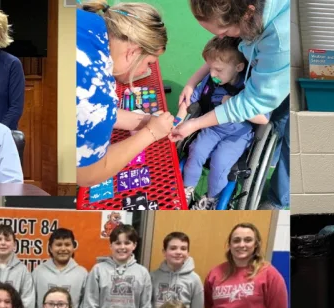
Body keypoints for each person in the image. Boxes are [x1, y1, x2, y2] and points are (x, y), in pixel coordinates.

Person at [75, 1, 173, 186]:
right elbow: (86, 175)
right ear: (132, 52)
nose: (145, 69)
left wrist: (144, 121)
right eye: (148, 63)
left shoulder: (91, 18)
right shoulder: (95, 90)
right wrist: (151, 133)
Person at [171, 0, 291, 148]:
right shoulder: (246, 16)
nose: (221, 38)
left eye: (224, 32)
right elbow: (219, 57)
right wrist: (191, 83)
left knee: (285, 118)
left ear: (248, 14)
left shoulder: (281, 43)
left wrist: (195, 124)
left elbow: (255, 103)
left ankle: (276, 148)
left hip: (306, 65)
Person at [179, 36, 269, 209]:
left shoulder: (251, 87)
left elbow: (263, 118)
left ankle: (211, 199)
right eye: (211, 68)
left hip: (238, 135)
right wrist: (178, 120)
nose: (212, 74)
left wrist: (234, 103)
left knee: (220, 162)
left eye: (218, 70)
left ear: (239, 67)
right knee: (196, 150)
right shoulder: (212, 81)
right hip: (212, 127)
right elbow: (192, 99)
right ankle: (186, 189)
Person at [82, 225, 153, 308]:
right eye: (118, 243)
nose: (122, 247)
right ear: (111, 245)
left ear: (134, 245)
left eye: (127, 243)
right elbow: (90, 305)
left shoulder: (142, 273)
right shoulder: (98, 270)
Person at [33, 229, 88, 308]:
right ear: (50, 248)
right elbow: (31, 304)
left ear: (73, 247)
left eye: (67, 244)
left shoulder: (82, 273)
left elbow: (85, 306)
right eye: (58, 245)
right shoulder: (38, 272)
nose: (63, 249)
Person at [150, 233, 205, 308]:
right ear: (164, 252)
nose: (178, 252)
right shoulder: (153, 277)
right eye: (173, 248)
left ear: (188, 253)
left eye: (183, 248)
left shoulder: (194, 279)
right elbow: (147, 306)